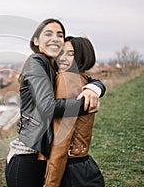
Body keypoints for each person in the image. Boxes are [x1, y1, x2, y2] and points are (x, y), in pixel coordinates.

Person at [5, 19, 106, 187]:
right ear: (36, 41)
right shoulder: (36, 61)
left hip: (41, 156)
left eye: (60, 35)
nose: (55, 38)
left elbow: (89, 78)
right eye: (48, 33)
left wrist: (95, 88)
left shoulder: (55, 68)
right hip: (26, 156)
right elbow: (48, 107)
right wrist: (87, 106)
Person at [44, 36, 105, 186]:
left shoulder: (66, 79)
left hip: (70, 171)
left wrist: (50, 183)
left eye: (70, 54)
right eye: (61, 52)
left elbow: (61, 142)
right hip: (82, 165)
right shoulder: (81, 80)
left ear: (82, 57)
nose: (62, 58)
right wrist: (97, 87)